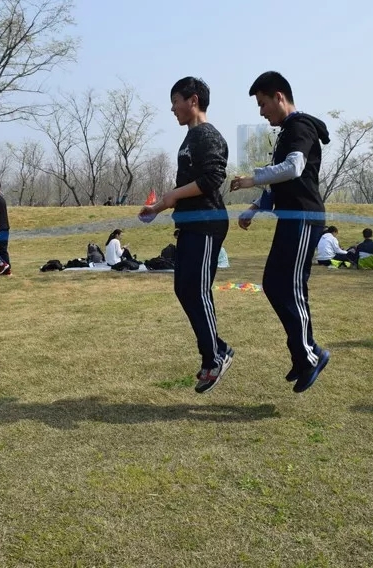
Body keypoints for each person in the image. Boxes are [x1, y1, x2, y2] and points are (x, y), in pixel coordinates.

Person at [231, 71, 330, 393]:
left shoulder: (300, 126)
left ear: (279, 97)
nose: (261, 112)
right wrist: (254, 207)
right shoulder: (287, 131)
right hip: (290, 219)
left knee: (292, 286)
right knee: (274, 284)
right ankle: (302, 354)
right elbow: (280, 183)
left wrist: (251, 178)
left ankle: (310, 355)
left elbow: (294, 168)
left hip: (303, 217)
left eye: (263, 104)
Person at [138, 77, 232, 394]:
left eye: (175, 101)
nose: (172, 108)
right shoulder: (190, 138)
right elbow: (183, 190)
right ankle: (218, 349)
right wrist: (158, 208)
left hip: (207, 222)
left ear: (193, 100)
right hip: (191, 223)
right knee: (184, 288)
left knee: (197, 290)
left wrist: (173, 195)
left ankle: (214, 358)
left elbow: (213, 178)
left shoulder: (207, 135)